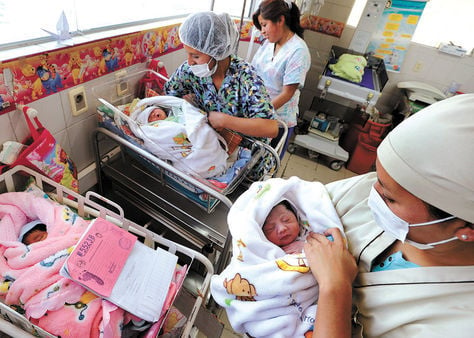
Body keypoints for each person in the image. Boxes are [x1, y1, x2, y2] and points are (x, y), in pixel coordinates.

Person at [304, 93, 474, 337]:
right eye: (378, 177)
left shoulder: (459, 322)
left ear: (467, 230)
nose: (372, 191)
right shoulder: (368, 189)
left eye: (390, 198)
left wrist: (335, 287)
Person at [164, 11, 279, 140]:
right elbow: (170, 94)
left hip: (245, 152)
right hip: (208, 141)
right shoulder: (189, 70)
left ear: (217, 51)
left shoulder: (246, 77)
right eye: (188, 54)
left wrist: (225, 120)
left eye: (196, 56)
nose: (190, 61)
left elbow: (271, 128)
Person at [252, 0, 311, 158]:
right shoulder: (268, 44)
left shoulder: (298, 51)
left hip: (277, 121)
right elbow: (252, 72)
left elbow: (287, 94)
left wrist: (258, 112)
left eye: (264, 25)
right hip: (257, 115)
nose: (262, 31)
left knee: (264, 168)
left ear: (280, 20)